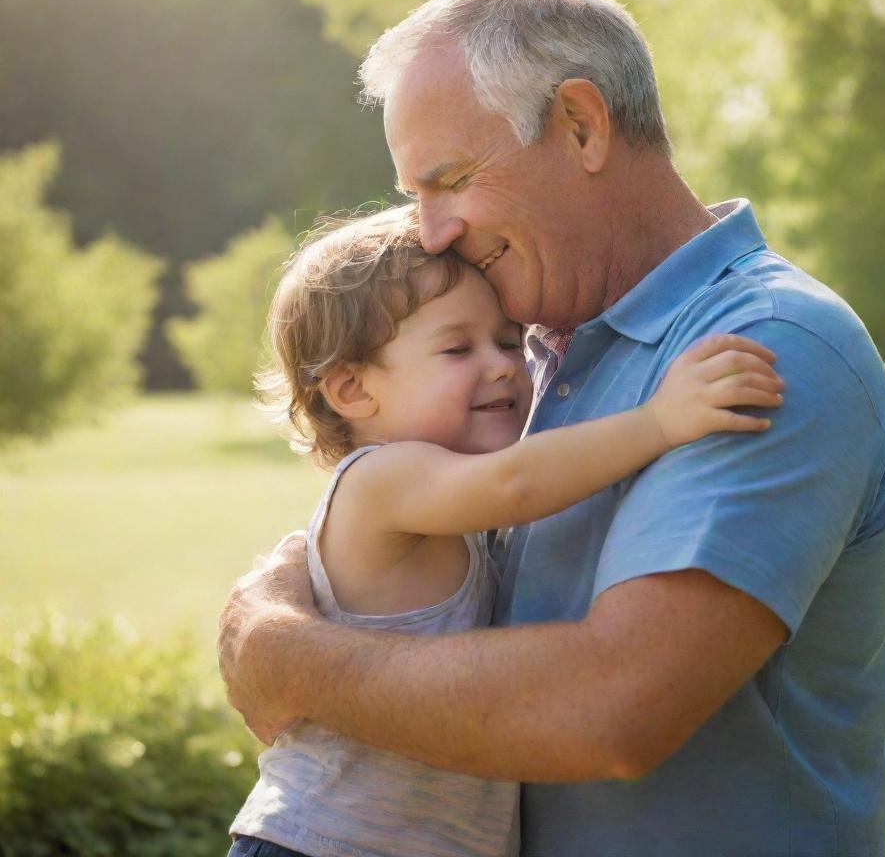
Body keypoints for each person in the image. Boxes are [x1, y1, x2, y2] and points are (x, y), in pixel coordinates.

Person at [219, 0, 885, 857]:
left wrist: (288, 656)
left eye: (450, 179)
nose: (429, 231)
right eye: (412, 196)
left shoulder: (765, 349)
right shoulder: (535, 350)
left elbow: (610, 711)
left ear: (581, 126)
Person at [227, 207, 784, 857]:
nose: (502, 366)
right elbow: (517, 484)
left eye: (508, 339)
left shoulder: (441, 497)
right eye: (458, 348)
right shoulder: (384, 480)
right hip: (322, 841)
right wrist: (660, 422)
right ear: (352, 388)